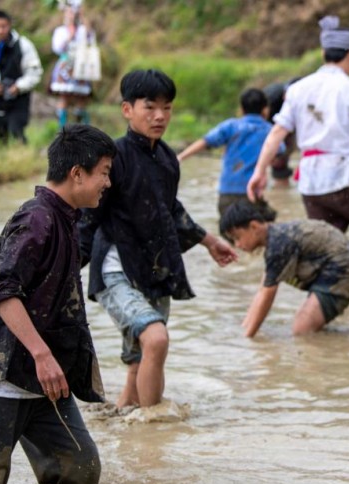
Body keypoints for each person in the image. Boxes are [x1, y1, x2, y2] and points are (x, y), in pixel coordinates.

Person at [0, 124, 115, 484]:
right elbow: (3, 291)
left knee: (79, 473)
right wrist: (41, 354)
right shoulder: (36, 219)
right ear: (77, 173)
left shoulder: (67, 219)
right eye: (104, 172)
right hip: (5, 378)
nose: (107, 182)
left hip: (46, 382)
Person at [78, 69, 238, 409]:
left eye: (167, 108)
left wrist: (210, 241)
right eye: (150, 107)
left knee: (142, 357)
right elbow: (88, 216)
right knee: (156, 339)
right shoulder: (113, 158)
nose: (160, 116)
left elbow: (170, 209)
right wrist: (62, 268)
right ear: (127, 109)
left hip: (153, 270)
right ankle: (154, 424)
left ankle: (122, 416)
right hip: (116, 269)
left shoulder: (167, 159)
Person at [247, 16, 349, 286]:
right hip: (342, 177)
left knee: (328, 246)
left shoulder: (298, 89)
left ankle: (324, 295)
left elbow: (277, 133)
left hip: (311, 182)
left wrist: (259, 171)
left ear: (324, 54)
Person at [220, 202, 349, 337]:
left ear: (254, 227)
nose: (237, 244)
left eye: (237, 237)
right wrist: (245, 326)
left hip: (346, 273)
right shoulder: (275, 238)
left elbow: (267, 295)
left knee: (301, 329)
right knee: (307, 327)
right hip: (335, 270)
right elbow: (262, 289)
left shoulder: (278, 244)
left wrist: (248, 337)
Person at [178, 88, 280, 218]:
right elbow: (278, 153)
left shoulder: (231, 126)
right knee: (260, 224)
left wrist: (181, 156)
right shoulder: (269, 130)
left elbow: (205, 141)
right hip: (253, 190)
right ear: (265, 109)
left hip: (227, 190)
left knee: (229, 226)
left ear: (241, 109)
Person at [0, 10, 43, 144]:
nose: (0, 31)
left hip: (18, 98)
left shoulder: (23, 45)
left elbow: (34, 71)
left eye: (4, 26)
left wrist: (19, 86)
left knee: (17, 132)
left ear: (10, 25)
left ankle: (21, 154)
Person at [49, 3, 95, 127]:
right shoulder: (60, 31)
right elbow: (57, 48)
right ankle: (62, 128)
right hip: (66, 65)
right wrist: (70, 35)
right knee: (64, 96)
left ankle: (82, 129)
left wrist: (83, 17)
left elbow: (90, 40)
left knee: (81, 97)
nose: (71, 15)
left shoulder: (83, 30)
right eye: (69, 13)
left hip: (81, 65)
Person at [262, 77, 301, 182]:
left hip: (288, 122)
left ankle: (282, 175)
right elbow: (263, 119)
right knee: (275, 146)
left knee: (287, 148)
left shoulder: (304, 98)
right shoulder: (272, 96)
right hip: (271, 122)